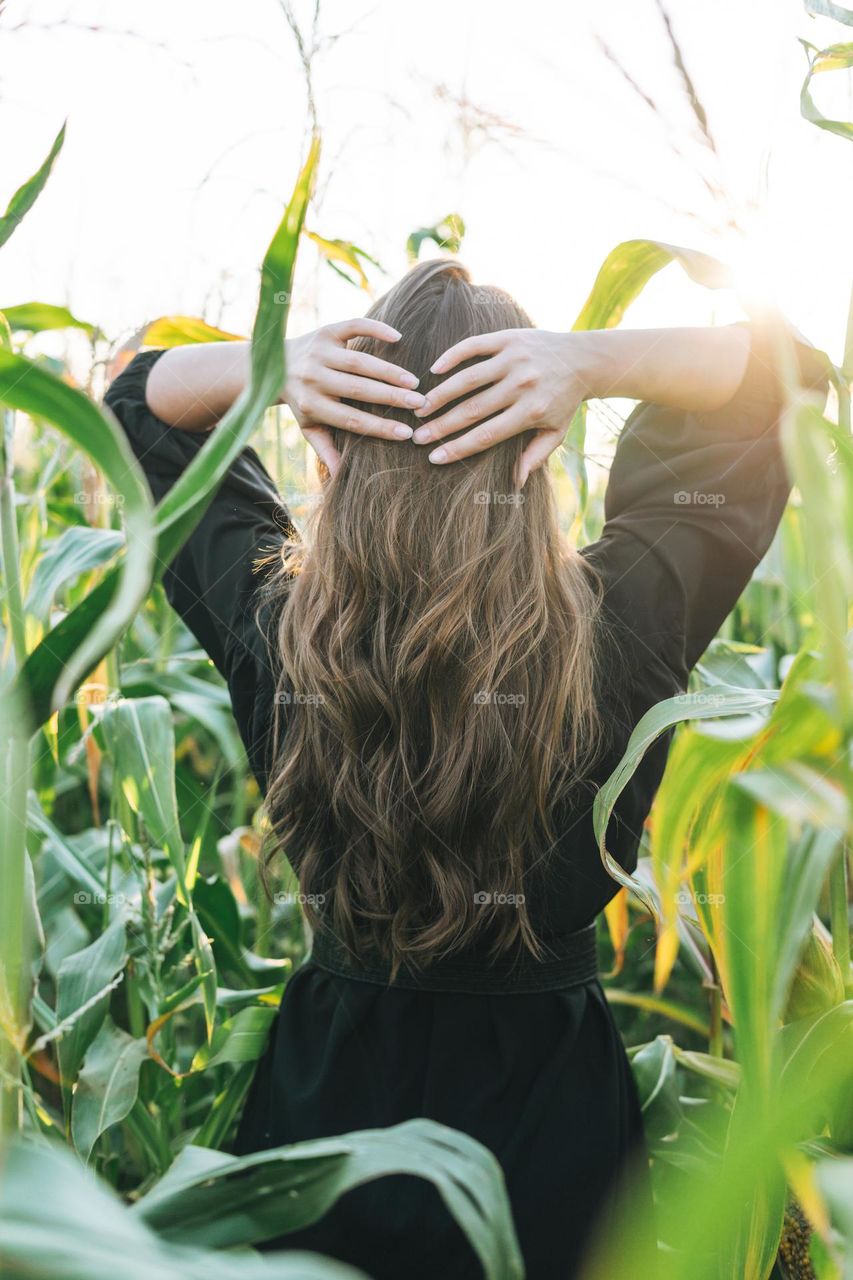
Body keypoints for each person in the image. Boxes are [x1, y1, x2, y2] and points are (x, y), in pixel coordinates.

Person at [104, 259, 828, 1279]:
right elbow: (786, 371)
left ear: (332, 451)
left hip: (326, 1124)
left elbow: (136, 404)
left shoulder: (282, 629)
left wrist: (281, 367)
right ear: (541, 448)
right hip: (552, 1129)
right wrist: (585, 362)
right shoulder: (621, 626)